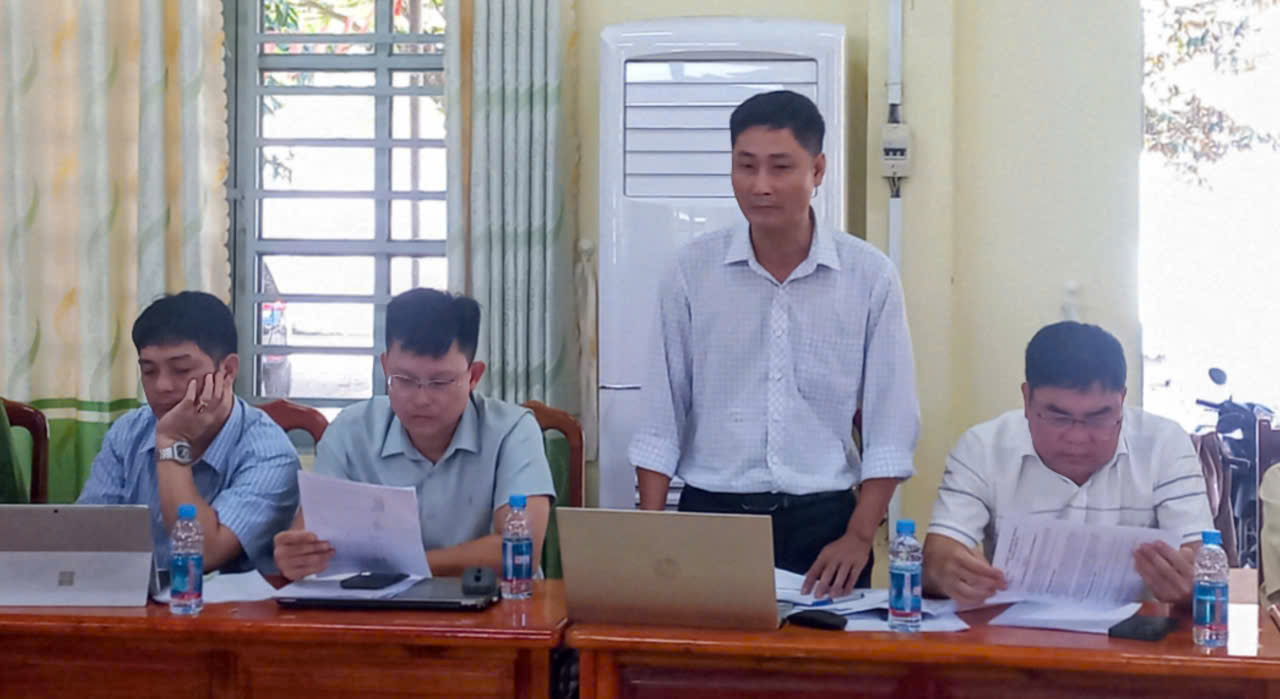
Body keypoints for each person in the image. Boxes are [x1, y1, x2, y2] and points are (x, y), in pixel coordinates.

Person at [628, 90, 921, 599]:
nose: (760, 185)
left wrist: (859, 535)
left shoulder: (869, 276)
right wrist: (652, 537)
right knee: (702, 651)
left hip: (826, 525)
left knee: (824, 652)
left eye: (781, 167)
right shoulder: (691, 271)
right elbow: (660, 415)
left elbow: (891, 423)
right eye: (746, 166)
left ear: (818, 170)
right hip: (712, 516)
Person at [923, 321, 1213, 607]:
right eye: (1058, 417)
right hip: (1012, 632)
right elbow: (936, 559)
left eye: (1098, 417)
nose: (1077, 437)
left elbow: (1204, 566)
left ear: (1122, 400)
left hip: (1135, 633)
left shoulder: (1164, 444)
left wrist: (1191, 584)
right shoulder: (982, 448)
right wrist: (945, 573)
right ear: (1027, 399)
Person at [272, 288, 556, 580]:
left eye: (440, 382)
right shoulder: (350, 431)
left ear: (473, 376)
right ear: (385, 368)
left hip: (492, 604)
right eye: (404, 380)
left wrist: (401, 566)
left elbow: (520, 550)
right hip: (375, 604)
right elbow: (311, 533)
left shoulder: (513, 430)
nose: (421, 399)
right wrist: (297, 557)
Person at [78, 291, 300, 573]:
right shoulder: (128, 433)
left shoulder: (271, 455)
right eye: (149, 371)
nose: (162, 386)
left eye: (181, 370)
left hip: (221, 600)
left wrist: (172, 443)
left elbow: (202, 554)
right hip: (130, 594)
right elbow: (84, 536)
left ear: (228, 371)